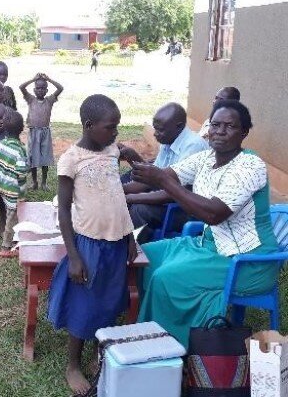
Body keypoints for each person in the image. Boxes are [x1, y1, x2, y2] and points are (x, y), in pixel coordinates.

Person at [133, 100, 278, 347]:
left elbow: (214, 214)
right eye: (215, 124)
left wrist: (163, 181)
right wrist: (114, 191)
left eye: (229, 126)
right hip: (208, 245)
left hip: (245, 259)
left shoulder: (250, 166)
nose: (220, 131)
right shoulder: (205, 159)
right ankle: (147, 325)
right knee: (142, 257)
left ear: (244, 132)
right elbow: (162, 177)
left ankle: (169, 346)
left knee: (165, 277)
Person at [47, 94, 138, 396]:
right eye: (111, 127)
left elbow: (117, 198)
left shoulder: (112, 150)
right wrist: (73, 256)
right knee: (83, 304)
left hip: (116, 242)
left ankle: (102, 353)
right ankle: (73, 364)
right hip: (88, 244)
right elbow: (63, 210)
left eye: (117, 127)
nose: (116, 133)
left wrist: (130, 237)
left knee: (109, 301)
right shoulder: (71, 159)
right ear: (89, 125)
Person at [124, 103, 209, 242]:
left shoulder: (193, 146)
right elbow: (150, 179)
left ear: (179, 126)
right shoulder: (169, 139)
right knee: (125, 196)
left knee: (140, 209)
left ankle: (136, 254)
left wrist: (131, 197)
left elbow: (174, 193)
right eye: (155, 129)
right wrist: (119, 191)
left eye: (160, 130)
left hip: (188, 209)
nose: (156, 134)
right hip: (169, 200)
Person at [0, 110, 29, 258]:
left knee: (12, 214)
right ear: (22, 128)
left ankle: (16, 240)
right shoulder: (20, 150)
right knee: (11, 218)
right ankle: (6, 246)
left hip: (3, 188)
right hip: (15, 192)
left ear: (4, 128)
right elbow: (22, 172)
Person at [19, 73, 64, 190]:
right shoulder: (31, 100)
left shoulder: (49, 100)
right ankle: (35, 182)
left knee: (45, 158)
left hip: (45, 133)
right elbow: (21, 87)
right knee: (33, 158)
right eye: (38, 88)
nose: (40, 90)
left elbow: (60, 88)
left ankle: (44, 182)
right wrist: (33, 79)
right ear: (34, 90)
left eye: (43, 88)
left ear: (46, 90)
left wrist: (49, 79)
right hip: (33, 132)